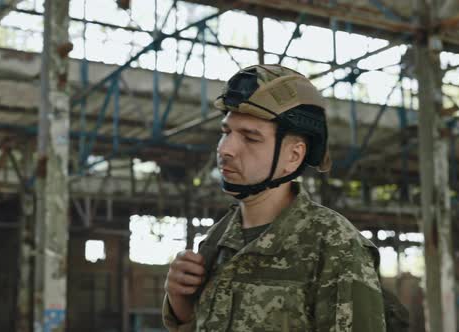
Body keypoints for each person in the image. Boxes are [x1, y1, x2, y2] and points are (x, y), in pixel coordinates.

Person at [162, 64, 386, 331]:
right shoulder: (217, 241)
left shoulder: (334, 246)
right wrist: (180, 303)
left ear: (293, 156)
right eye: (226, 132)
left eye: (250, 138)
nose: (226, 149)